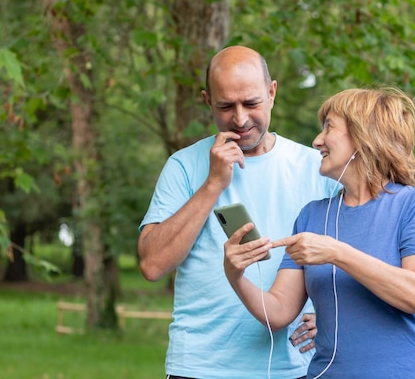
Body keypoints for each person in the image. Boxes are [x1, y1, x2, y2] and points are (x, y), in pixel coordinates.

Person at [224, 87, 415, 379]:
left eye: (328, 127)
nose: (317, 141)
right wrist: (235, 275)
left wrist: (336, 253)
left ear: (364, 135)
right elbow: (278, 313)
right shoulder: (311, 216)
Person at [138, 45, 337, 379]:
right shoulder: (184, 166)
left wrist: (336, 316)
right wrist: (213, 183)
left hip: (295, 367)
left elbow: (357, 255)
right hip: (200, 367)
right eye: (226, 106)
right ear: (207, 101)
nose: (241, 119)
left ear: (272, 92)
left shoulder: (317, 168)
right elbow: (152, 264)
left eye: (252, 103)